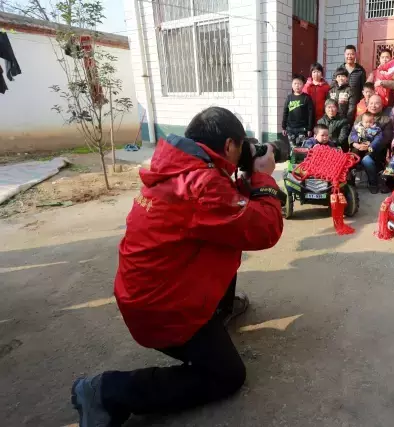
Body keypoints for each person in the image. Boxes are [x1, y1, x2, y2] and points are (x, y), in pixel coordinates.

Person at [70, 107, 283, 427]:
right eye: (241, 146)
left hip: (144, 293)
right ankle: (106, 392)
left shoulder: (177, 167)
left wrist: (246, 177)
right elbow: (265, 228)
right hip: (161, 311)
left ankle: (219, 314)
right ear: (229, 146)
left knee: (225, 238)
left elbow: (231, 215)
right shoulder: (202, 184)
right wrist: (263, 176)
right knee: (227, 376)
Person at [355, 95, 394, 193]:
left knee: (367, 160)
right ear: (367, 105)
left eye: (377, 103)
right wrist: (355, 144)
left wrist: (370, 145)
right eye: (371, 103)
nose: (374, 106)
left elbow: (386, 139)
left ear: (382, 106)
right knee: (351, 158)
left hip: (376, 149)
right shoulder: (361, 117)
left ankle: (373, 183)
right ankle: (349, 183)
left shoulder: (386, 120)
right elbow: (353, 133)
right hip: (359, 147)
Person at [336, 44, 367, 122]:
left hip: (355, 105)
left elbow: (363, 88)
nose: (350, 56)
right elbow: (334, 85)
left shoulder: (360, 70)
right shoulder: (339, 69)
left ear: (355, 55)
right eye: (348, 54)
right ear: (344, 55)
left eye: (352, 54)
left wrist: (361, 103)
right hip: (341, 104)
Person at [282, 74, 315, 147]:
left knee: (302, 148)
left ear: (303, 85)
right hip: (290, 129)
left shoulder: (307, 98)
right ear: (292, 85)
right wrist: (283, 127)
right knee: (292, 148)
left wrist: (310, 128)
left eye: (299, 84)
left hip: (302, 129)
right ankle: (292, 158)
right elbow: (285, 112)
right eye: (295, 83)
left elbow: (311, 114)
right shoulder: (289, 98)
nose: (297, 85)